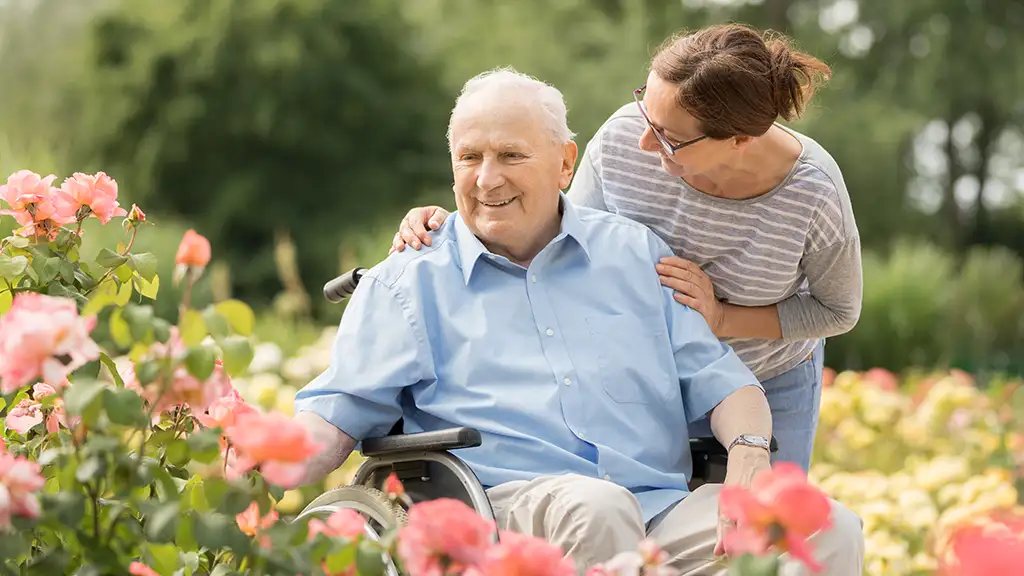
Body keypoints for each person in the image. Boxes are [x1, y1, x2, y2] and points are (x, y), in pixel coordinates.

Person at [291, 68, 864, 574]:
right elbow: (333, 417)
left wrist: (748, 452)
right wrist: (250, 462)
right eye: (470, 157)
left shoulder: (637, 256)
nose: (487, 179)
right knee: (597, 509)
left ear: (566, 163)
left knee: (827, 527)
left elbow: (727, 384)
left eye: (511, 156)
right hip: (495, 510)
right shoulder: (409, 280)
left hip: (656, 508)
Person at [387, 23, 862, 474]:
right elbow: (552, 236)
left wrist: (722, 318)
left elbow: (837, 311)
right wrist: (451, 228)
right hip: (642, 375)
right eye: (645, 113)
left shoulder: (813, 194)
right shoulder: (622, 142)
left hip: (768, 378)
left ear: (739, 140)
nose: (642, 141)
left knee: (768, 534)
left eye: (668, 138)